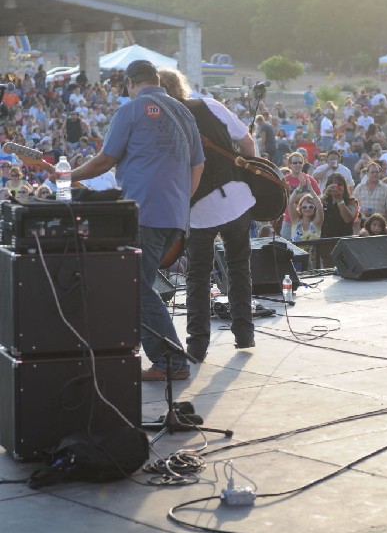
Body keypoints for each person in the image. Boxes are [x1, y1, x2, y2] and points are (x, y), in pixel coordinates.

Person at [71, 60, 204, 381]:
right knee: (137, 285)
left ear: (131, 83)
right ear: (156, 80)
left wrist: (66, 175)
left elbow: (106, 159)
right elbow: (197, 166)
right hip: (174, 214)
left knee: (136, 287)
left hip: (144, 212)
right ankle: (157, 356)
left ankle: (171, 361)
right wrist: (179, 201)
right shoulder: (184, 111)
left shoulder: (131, 110)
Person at [158, 68, 256, 362]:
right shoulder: (211, 106)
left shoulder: (163, 122)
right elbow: (248, 143)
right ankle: (245, 335)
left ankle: (197, 346)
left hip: (198, 210)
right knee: (240, 268)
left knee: (197, 277)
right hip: (237, 199)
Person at [320, 173, 359, 267]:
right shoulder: (324, 200)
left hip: (343, 242)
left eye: (339, 185)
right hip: (326, 242)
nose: (336, 188)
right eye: (332, 185)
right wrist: (325, 194)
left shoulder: (351, 201)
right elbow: (313, 209)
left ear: (344, 187)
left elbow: (348, 219)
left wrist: (340, 201)